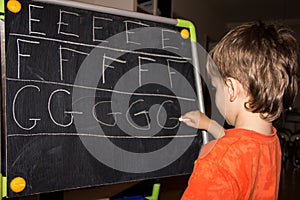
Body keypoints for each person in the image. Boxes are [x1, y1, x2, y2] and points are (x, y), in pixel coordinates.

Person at [181, 21, 298, 199]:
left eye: (215, 87)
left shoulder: (217, 162)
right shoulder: (271, 140)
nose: (215, 94)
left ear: (231, 88)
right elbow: (240, 150)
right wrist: (209, 124)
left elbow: (230, 155)